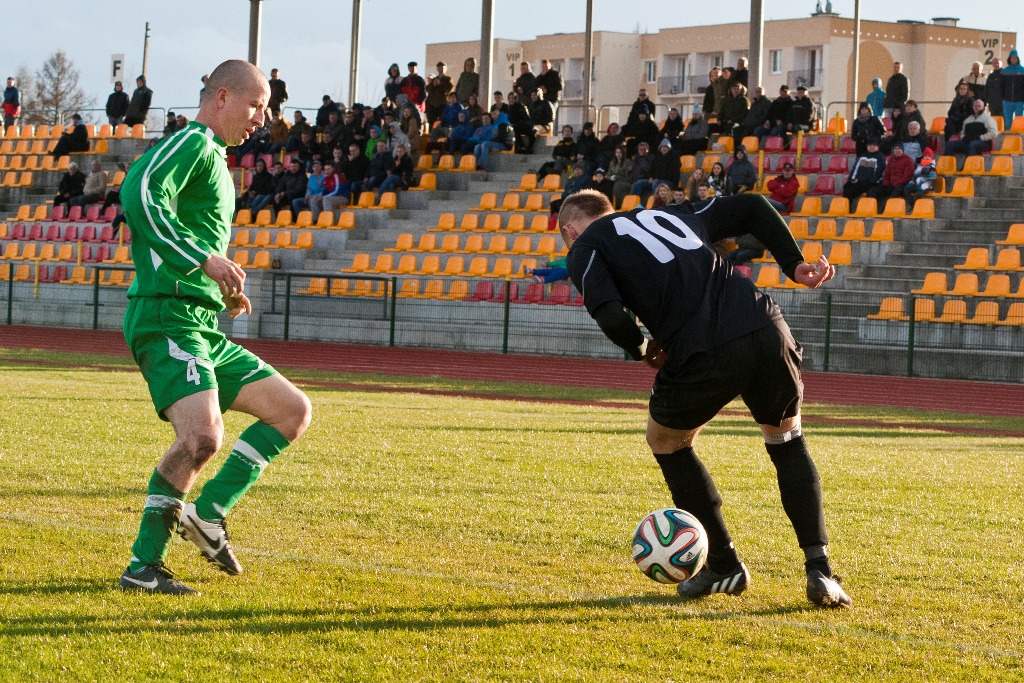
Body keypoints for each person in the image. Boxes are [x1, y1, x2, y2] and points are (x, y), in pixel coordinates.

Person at [558, 189, 849, 608]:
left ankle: (725, 565)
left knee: (666, 441)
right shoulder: (670, 213)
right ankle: (820, 570)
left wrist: (642, 350)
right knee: (786, 440)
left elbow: (611, 317)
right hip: (765, 326)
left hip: (701, 348)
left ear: (570, 231)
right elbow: (753, 206)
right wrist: (792, 263)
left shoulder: (585, 247)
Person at [117, 60, 312, 596]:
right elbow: (140, 193)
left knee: (291, 411)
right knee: (202, 437)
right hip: (167, 315)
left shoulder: (218, 163)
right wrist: (205, 260)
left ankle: (208, 513)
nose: (262, 119)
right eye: (256, 106)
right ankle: (143, 567)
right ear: (222, 97)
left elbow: (190, 235)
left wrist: (222, 286)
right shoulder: (193, 143)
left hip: (200, 321)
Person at [842, 139, 886, 210]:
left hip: (873, 184)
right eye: (870, 145)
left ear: (878, 147)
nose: (872, 147)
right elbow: (855, 169)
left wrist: (872, 182)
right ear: (867, 146)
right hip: (860, 182)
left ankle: (868, 211)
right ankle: (847, 210)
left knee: (872, 192)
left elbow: (881, 173)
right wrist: (852, 179)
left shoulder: (881, 157)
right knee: (848, 190)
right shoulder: (862, 156)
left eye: (874, 145)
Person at [868, 143, 914, 207]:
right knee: (873, 190)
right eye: (895, 149)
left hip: (901, 184)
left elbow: (907, 177)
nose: (897, 150)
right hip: (890, 184)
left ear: (902, 150)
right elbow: (886, 174)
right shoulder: (891, 159)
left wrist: (896, 183)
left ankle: (886, 208)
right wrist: (886, 183)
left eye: (899, 149)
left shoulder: (908, 160)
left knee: (895, 193)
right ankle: (873, 207)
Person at [425, 62, 453, 128]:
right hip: (433, 105)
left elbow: (449, 88)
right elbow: (427, 89)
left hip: (442, 104)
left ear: (445, 69)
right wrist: (433, 85)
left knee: (441, 121)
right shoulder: (434, 79)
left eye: (443, 68)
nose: (441, 69)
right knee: (432, 122)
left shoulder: (448, 79)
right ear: (437, 69)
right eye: (439, 68)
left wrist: (440, 84)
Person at [1002, 50, 1024, 128]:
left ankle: (1018, 136)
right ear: (1009, 58)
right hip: (1007, 101)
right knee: (1008, 122)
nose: (1013, 59)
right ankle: (1008, 135)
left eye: (1015, 57)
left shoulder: (1022, 70)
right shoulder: (1004, 71)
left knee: (1018, 122)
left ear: (1018, 58)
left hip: (1019, 101)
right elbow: (1002, 86)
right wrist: (1002, 98)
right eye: (1012, 57)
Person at [986, 58, 1004, 126]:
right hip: (992, 103)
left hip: (1002, 103)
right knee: (993, 121)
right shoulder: (990, 76)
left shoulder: (1005, 75)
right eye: (995, 63)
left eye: (998, 63)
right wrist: (988, 100)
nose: (996, 64)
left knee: (1003, 121)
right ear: (992, 65)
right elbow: (987, 89)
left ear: (1001, 64)